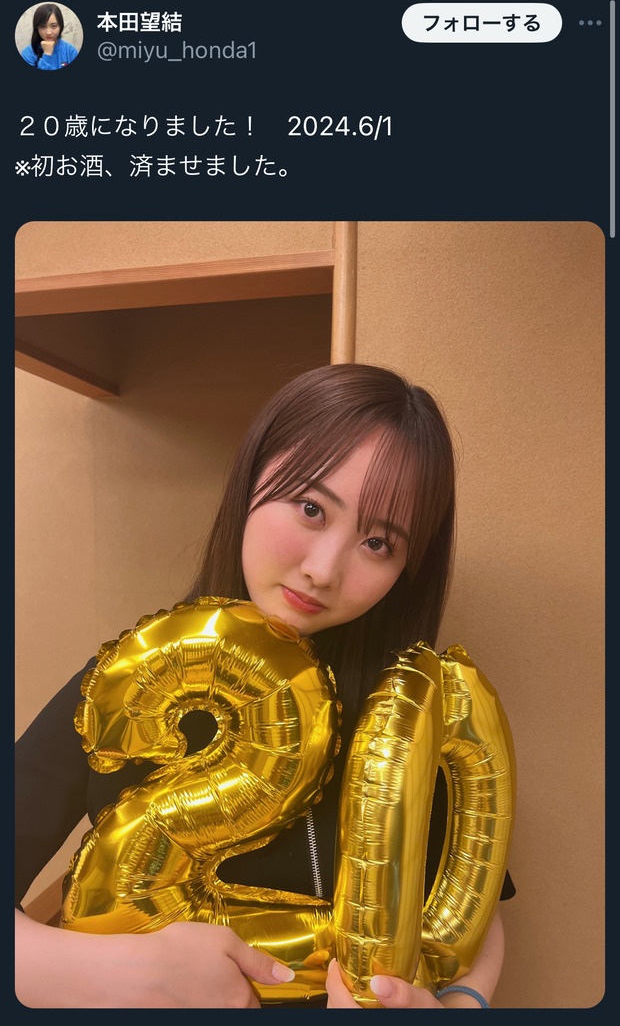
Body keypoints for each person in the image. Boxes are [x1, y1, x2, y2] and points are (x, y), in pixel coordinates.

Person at [15, 363, 514, 1008]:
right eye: (311, 508)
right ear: (252, 478)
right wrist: (106, 970)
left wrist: (458, 1007)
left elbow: (476, 909)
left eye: (377, 543)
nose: (323, 570)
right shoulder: (129, 692)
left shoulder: (410, 715)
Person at [21, 4, 78, 70]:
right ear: (37, 28)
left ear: (60, 26)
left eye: (53, 26)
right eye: (43, 26)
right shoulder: (28, 53)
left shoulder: (70, 51)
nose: (48, 33)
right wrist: (47, 55)